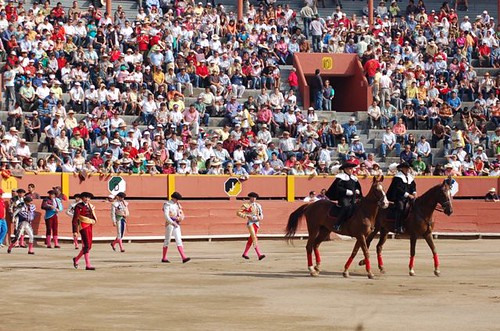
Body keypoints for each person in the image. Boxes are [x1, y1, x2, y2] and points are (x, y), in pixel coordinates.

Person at [325, 163, 362, 231]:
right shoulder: (341, 178)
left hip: (353, 197)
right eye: (350, 168)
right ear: (345, 169)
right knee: (346, 206)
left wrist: (357, 190)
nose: (351, 170)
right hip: (343, 198)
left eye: (352, 168)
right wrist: (346, 191)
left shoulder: (354, 178)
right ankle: (337, 224)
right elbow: (337, 188)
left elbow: (357, 186)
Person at [386, 162, 417, 234]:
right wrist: (408, 195)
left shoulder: (410, 177)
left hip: (409, 197)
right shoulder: (397, 177)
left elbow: (413, 186)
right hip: (399, 197)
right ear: (402, 168)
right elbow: (398, 189)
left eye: (408, 168)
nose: (407, 169)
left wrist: (414, 193)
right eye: (405, 168)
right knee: (400, 207)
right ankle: (398, 226)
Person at [161, 191, 190, 263]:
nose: (177, 200)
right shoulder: (167, 204)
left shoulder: (177, 204)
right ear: (173, 198)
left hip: (176, 223)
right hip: (170, 224)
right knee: (167, 240)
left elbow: (181, 214)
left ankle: (183, 257)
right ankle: (164, 258)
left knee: (178, 239)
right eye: (177, 199)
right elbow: (166, 216)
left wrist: (180, 218)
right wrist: (172, 222)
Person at [72, 192, 98, 270]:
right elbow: (75, 219)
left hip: (89, 226)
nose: (87, 199)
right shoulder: (78, 206)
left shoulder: (90, 206)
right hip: (83, 227)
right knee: (86, 245)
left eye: (88, 198)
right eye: (85, 197)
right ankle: (88, 265)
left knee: (89, 246)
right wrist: (75, 231)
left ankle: (76, 259)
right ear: (82, 198)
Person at [237, 192, 266, 260]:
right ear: (250, 198)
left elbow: (261, 214)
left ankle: (245, 254)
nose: (254, 199)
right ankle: (259, 255)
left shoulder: (258, 205)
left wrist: (260, 217)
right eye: (252, 197)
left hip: (257, 223)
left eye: (255, 198)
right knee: (254, 238)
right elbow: (238, 212)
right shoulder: (246, 205)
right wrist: (246, 215)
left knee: (251, 239)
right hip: (250, 224)